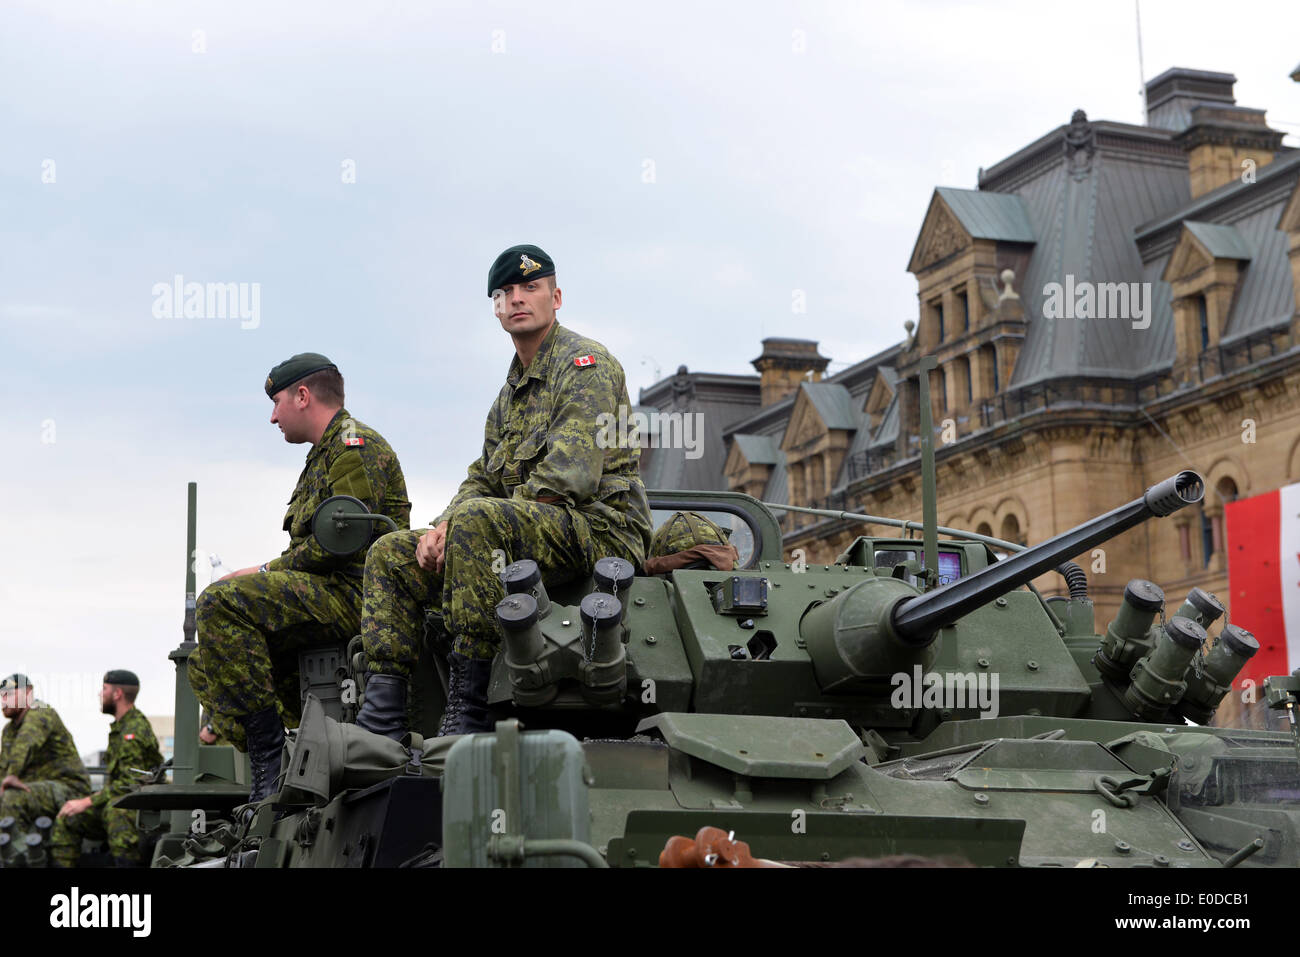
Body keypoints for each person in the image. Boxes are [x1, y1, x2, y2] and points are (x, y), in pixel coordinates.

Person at [355, 244, 653, 739]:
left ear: (556, 297)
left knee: (477, 522)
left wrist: (466, 523)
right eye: (505, 292)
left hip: (601, 530)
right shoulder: (510, 393)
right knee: (391, 553)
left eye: (530, 288)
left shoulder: (586, 366)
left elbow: (567, 480)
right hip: (527, 529)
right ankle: (383, 718)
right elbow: (483, 476)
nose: (517, 299)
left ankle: (468, 707)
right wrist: (439, 526)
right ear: (496, 308)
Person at [189, 354, 411, 803]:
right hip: (327, 590)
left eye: (276, 403)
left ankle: (270, 757)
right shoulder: (322, 456)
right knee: (205, 661)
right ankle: (282, 749)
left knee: (219, 603)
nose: (272, 417)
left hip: (360, 596)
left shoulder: (355, 447)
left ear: (303, 396)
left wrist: (265, 570)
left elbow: (342, 544)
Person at [49, 671, 162, 867]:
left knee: (116, 813)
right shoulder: (121, 727)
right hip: (121, 798)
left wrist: (88, 801)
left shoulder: (133, 730)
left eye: (104, 689)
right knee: (69, 817)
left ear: (117, 694)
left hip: (139, 804)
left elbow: (129, 783)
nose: (100, 694)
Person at [0, 674, 91, 837]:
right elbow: (3, 768)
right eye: (1, 696)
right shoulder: (8, 730)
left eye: (9, 694)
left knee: (12, 798)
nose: (4, 701)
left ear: (28, 693)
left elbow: (26, 743)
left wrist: (11, 776)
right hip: (37, 788)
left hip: (69, 788)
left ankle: (13, 858)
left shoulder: (41, 712)